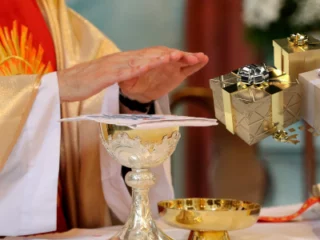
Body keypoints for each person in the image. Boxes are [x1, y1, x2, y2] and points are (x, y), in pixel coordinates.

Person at [0, 0, 208, 236]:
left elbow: (93, 80)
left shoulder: (45, 10)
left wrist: (129, 99)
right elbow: (66, 83)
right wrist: (54, 87)